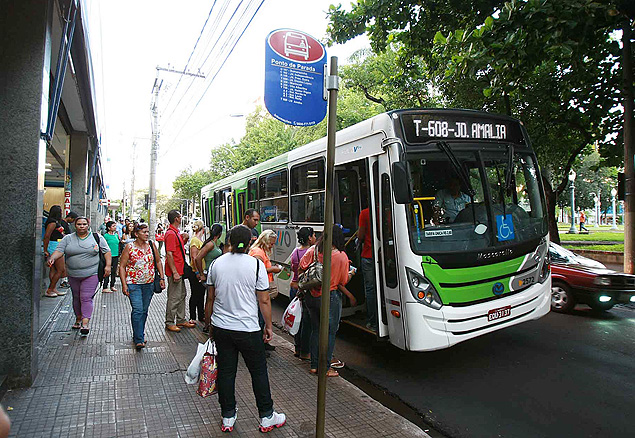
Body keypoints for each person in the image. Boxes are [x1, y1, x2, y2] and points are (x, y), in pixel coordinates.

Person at [205, 224, 286, 433]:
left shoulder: (216, 264)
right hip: (248, 330)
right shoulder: (257, 265)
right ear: (250, 242)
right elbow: (264, 300)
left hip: (222, 328)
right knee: (258, 372)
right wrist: (269, 326)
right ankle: (267, 415)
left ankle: (228, 417)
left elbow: (210, 298)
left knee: (226, 372)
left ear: (229, 241)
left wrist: (209, 325)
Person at [299, 225, 357, 378]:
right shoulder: (341, 256)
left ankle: (314, 365)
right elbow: (343, 281)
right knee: (330, 333)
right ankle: (324, 368)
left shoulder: (314, 250)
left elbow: (301, 267)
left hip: (311, 295)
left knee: (316, 330)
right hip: (330, 297)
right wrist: (351, 272)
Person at [47, 217, 111, 335]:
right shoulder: (68, 239)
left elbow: (106, 251)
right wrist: (52, 258)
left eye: (84, 224)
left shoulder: (97, 238)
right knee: (76, 297)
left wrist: (108, 266)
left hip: (91, 273)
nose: (82, 226)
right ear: (75, 226)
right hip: (73, 274)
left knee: (86, 297)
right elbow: (59, 251)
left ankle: (85, 323)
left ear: (88, 225)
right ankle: (78, 318)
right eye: (79, 224)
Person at [119, 222, 165, 349]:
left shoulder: (152, 245)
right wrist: (124, 284)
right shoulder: (129, 247)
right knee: (138, 310)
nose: (146, 234)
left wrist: (161, 277)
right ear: (136, 234)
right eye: (143, 232)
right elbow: (122, 266)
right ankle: (139, 338)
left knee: (144, 311)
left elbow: (158, 261)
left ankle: (139, 333)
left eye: (147, 232)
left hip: (149, 283)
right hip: (133, 284)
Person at [249, 230, 282, 352]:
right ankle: (259, 347)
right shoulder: (257, 253)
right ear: (265, 241)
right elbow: (258, 271)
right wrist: (272, 269)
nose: (272, 246)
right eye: (271, 244)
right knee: (260, 317)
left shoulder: (260, 251)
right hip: (260, 289)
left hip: (263, 286)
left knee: (261, 317)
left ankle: (263, 342)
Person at [164, 210, 195, 332]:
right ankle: (170, 321)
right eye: (180, 217)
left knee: (182, 294)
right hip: (175, 270)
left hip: (179, 269)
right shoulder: (171, 234)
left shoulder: (175, 232)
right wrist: (174, 272)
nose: (181, 218)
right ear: (176, 219)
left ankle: (181, 319)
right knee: (174, 296)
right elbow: (169, 254)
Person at [289, 227, 316, 360]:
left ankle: (297, 348)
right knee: (307, 322)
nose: (315, 238)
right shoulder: (311, 252)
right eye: (314, 236)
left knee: (297, 321)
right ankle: (306, 352)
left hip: (294, 288)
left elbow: (292, 268)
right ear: (309, 238)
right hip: (304, 289)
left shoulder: (295, 251)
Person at [358, 208, 378, 331]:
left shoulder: (365, 213)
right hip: (384, 255)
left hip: (368, 255)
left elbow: (360, 235)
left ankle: (373, 321)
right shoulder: (386, 209)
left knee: (370, 289)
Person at [43, 205, 67, 297]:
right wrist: (45, 250)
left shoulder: (54, 222)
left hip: (56, 245)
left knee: (54, 268)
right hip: (54, 246)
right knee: (61, 269)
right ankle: (50, 289)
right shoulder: (52, 223)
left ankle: (53, 288)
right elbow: (47, 236)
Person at [187, 220, 207, 324]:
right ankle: (192, 316)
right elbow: (194, 257)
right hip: (195, 272)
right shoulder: (195, 240)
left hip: (200, 271)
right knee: (195, 294)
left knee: (201, 294)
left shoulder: (199, 240)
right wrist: (197, 272)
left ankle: (201, 315)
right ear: (202, 229)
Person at [59, 211, 79, 288]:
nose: (73, 221)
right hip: (63, 245)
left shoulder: (65, 224)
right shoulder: (63, 224)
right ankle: (63, 281)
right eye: (73, 219)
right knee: (63, 266)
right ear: (70, 217)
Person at [102, 220, 120, 292]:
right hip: (108, 256)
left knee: (114, 271)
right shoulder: (105, 236)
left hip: (116, 255)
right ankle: (105, 287)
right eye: (113, 226)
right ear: (109, 228)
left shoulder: (116, 235)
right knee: (107, 271)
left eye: (115, 226)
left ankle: (112, 285)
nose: (115, 227)